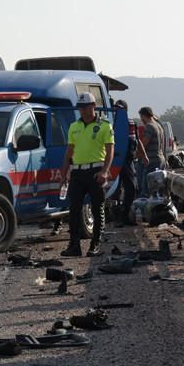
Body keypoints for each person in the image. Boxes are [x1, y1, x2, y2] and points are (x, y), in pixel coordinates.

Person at [59, 92, 114, 257]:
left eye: (85, 107)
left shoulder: (105, 126)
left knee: (98, 208)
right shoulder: (74, 126)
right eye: (80, 107)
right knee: (74, 209)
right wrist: (64, 174)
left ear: (93, 106)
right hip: (77, 172)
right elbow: (69, 153)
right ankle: (74, 245)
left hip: (95, 171)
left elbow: (110, 152)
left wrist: (104, 171)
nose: (82, 110)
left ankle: (95, 243)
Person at [113, 99, 147, 226]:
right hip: (115, 160)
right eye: (116, 108)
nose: (118, 111)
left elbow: (137, 141)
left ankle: (125, 214)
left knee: (131, 188)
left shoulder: (132, 123)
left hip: (128, 160)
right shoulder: (111, 122)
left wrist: (144, 155)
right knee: (115, 191)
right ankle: (117, 217)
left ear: (125, 110)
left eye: (120, 109)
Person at [138, 107, 165, 196]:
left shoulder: (149, 126)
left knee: (146, 188)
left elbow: (144, 143)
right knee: (159, 187)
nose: (141, 120)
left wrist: (137, 154)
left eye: (141, 117)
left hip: (151, 161)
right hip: (160, 159)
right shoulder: (159, 126)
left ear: (144, 116)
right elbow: (162, 144)